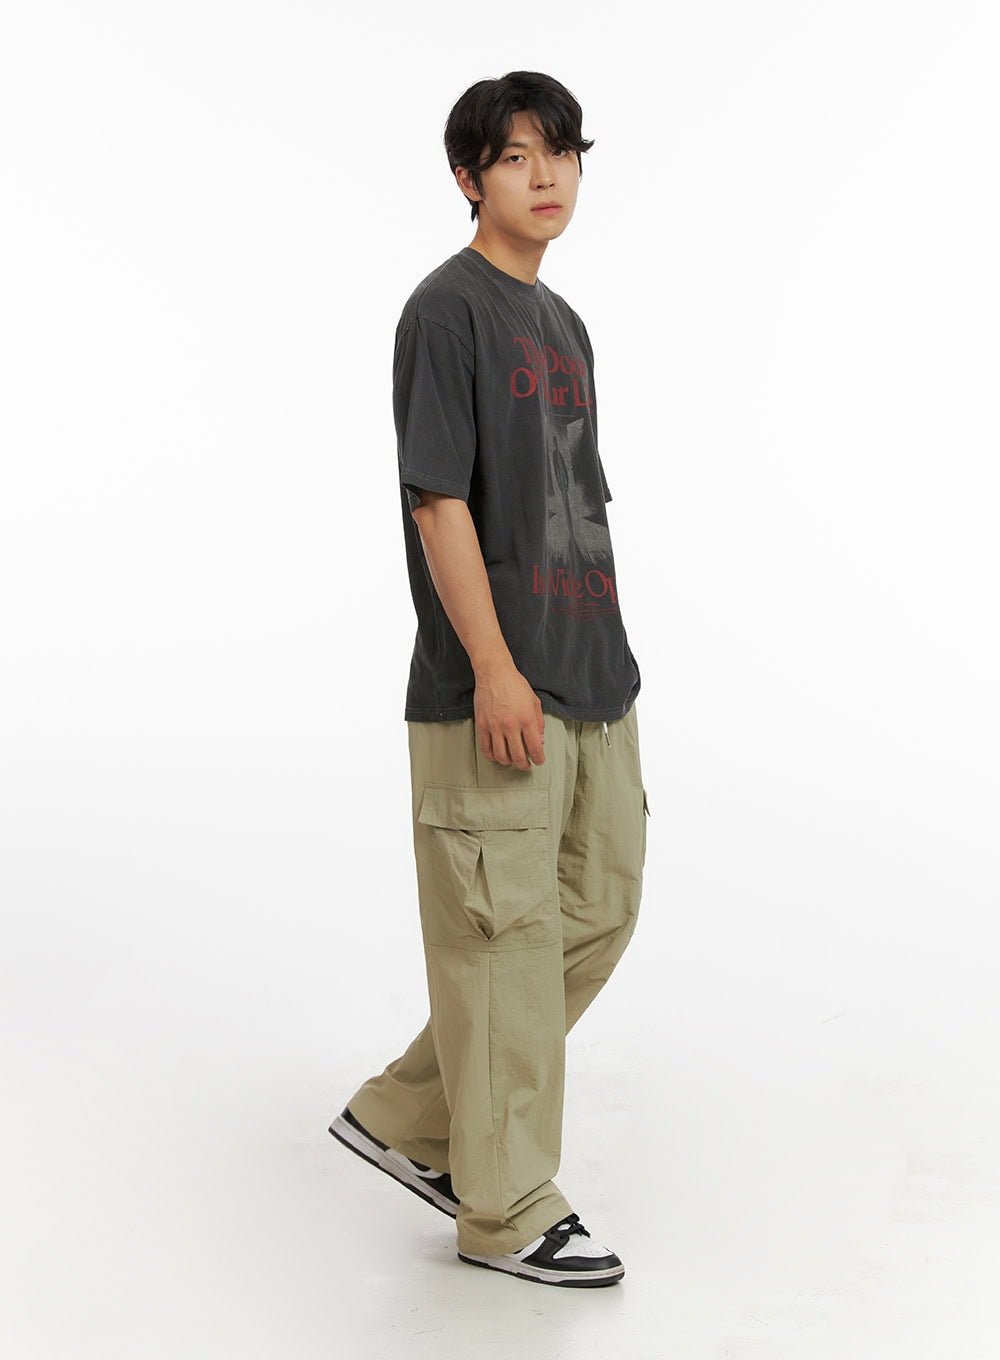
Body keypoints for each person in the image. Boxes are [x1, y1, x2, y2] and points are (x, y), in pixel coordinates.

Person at [329, 70, 649, 1289]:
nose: (546, 175)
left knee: (597, 909)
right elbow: (439, 500)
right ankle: (504, 1205)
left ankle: (412, 1116)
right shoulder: (445, 311)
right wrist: (495, 668)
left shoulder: (562, 323)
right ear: (469, 177)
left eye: (562, 151)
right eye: (516, 156)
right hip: (495, 688)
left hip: (593, 676)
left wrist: (605, 668)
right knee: (503, 944)